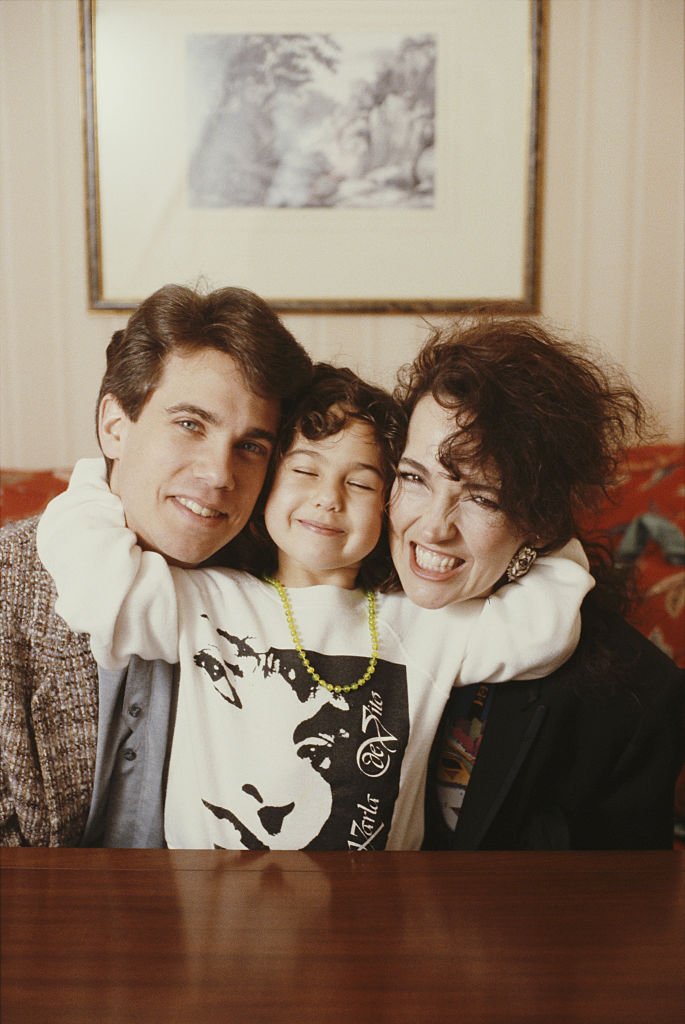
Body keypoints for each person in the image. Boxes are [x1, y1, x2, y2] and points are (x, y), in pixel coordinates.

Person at [37, 363, 592, 850]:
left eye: (362, 482)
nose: (329, 498)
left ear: (393, 504)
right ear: (265, 487)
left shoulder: (426, 625)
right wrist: (99, 469)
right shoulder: (205, 599)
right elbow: (96, 582)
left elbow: (544, 628)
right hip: (201, 899)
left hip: (370, 911)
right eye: (305, 471)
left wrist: (540, 519)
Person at [0, 283, 313, 846]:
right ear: (114, 426)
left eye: (251, 446)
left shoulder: (286, 582)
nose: (220, 474)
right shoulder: (9, 589)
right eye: (191, 424)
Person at [387, 316, 685, 849]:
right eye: (414, 478)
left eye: (481, 497)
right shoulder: (324, 593)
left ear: (540, 520)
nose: (432, 526)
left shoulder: (636, 699)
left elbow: (624, 912)